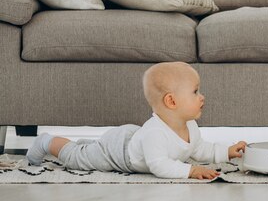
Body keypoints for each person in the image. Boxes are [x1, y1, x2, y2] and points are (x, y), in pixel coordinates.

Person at [26, 61, 247, 180]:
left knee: (92, 148)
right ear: (171, 101)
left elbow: (199, 150)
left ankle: (89, 144)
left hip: (132, 139)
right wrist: (190, 171)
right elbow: (159, 166)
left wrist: (226, 151)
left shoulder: (190, 125)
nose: (202, 96)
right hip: (118, 154)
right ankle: (46, 142)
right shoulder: (155, 134)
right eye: (195, 91)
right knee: (77, 158)